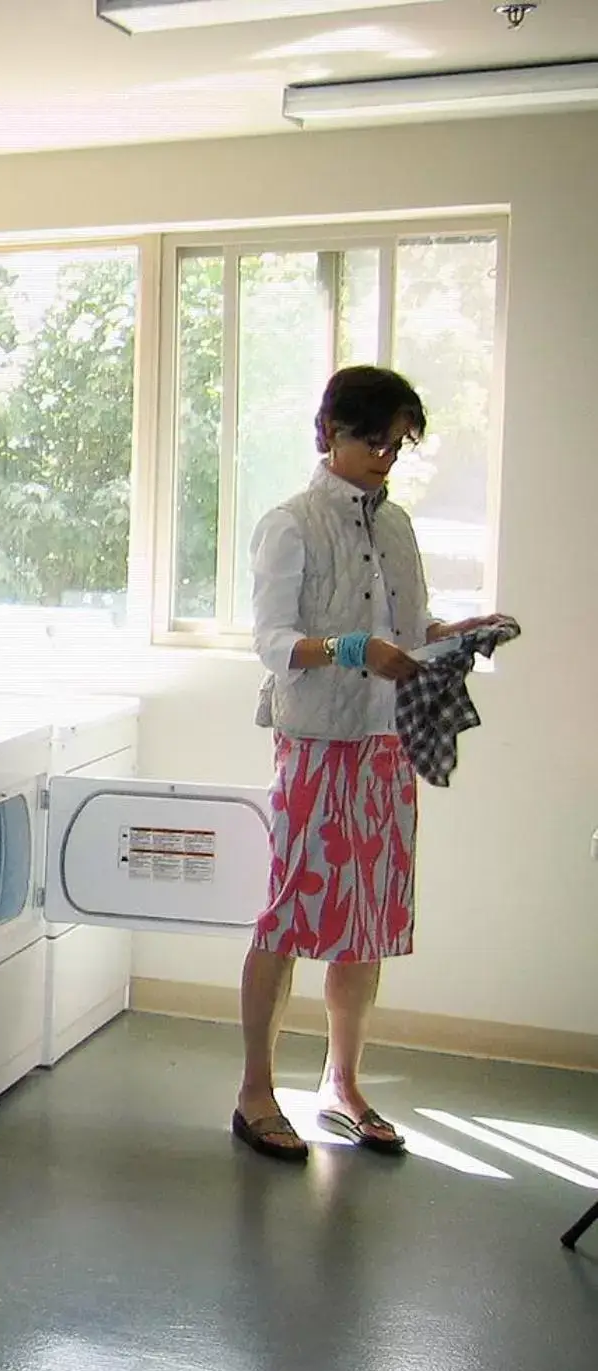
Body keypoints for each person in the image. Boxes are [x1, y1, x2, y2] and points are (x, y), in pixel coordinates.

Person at [232, 366, 514, 1161]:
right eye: (374, 441)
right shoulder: (289, 524)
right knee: (289, 914)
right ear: (330, 434)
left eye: (398, 446)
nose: (386, 458)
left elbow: (410, 625)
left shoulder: (397, 527)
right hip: (317, 743)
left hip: (385, 744)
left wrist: (458, 628)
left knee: (369, 920)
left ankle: (343, 1087)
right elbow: (271, 642)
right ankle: (256, 1090)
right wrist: (353, 649)